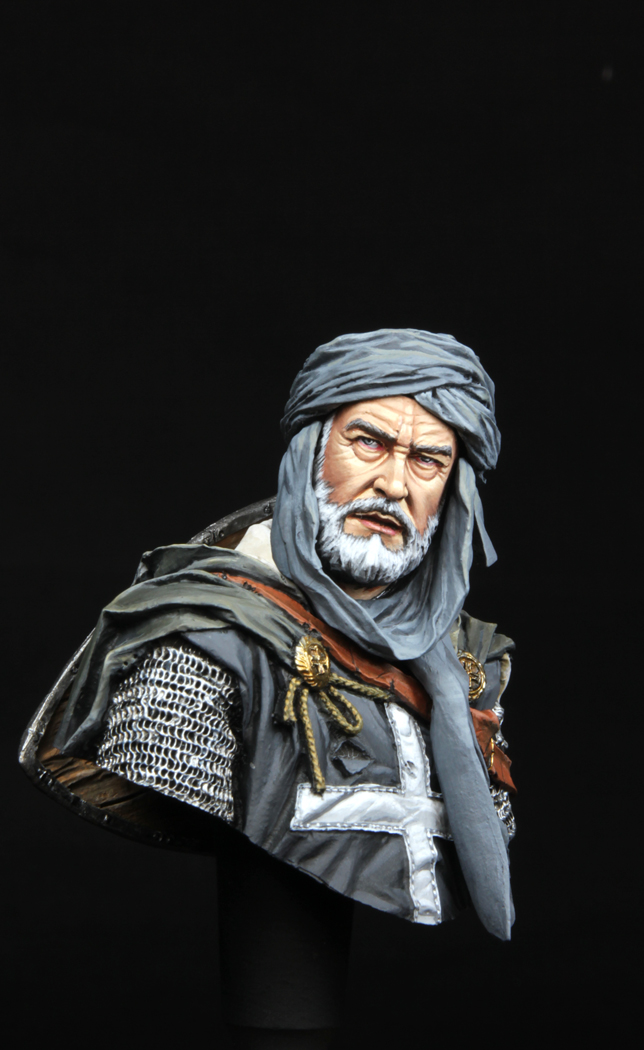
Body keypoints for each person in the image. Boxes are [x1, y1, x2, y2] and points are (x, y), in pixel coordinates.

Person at [22, 328, 517, 1048]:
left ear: (453, 487)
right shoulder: (205, 634)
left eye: (427, 460)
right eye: (369, 443)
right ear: (310, 451)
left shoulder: (467, 656)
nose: (394, 484)